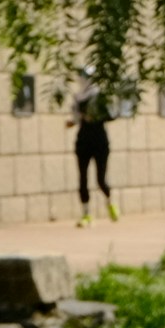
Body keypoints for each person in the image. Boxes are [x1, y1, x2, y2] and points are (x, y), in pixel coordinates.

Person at [68, 81, 118, 227]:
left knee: (100, 179)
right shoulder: (78, 98)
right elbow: (76, 117)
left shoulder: (100, 96)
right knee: (83, 178)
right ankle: (86, 213)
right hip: (84, 142)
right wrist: (73, 122)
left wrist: (96, 117)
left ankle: (110, 202)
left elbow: (112, 114)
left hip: (100, 143)